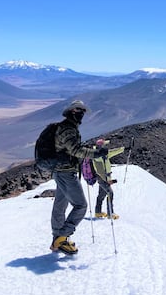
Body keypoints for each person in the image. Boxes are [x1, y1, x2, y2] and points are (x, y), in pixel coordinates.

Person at [50, 100, 108, 254]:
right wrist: (96, 153)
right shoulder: (68, 129)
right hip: (66, 172)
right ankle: (61, 237)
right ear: (71, 112)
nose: (81, 114)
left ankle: (57, 240)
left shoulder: (64, 127)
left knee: (60, 206)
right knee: (81, 206)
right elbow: (75, 150)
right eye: (78, 111)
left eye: (82, 111)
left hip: (59, 171)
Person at [92, 139, 124, 219]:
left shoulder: (102, 155)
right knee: (110, 193)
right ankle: (110, 213)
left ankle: (98, 212)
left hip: (102, 178)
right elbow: (100, 170)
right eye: (104, 145)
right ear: (101, 146)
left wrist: (123, 149)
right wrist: (107, 180)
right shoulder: (98, 156)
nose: (106, 147)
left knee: (101, 195)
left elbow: (113, 152)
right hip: (103, 178)